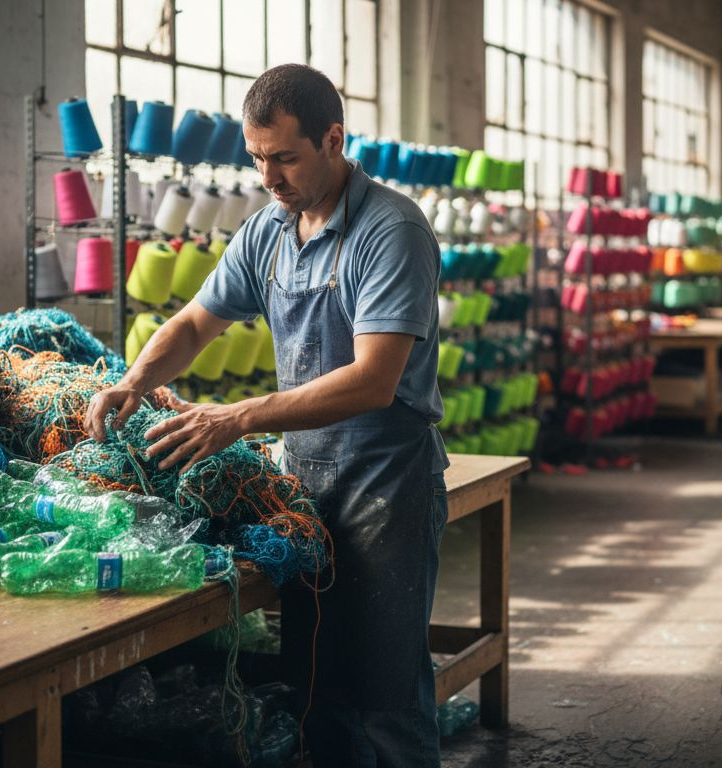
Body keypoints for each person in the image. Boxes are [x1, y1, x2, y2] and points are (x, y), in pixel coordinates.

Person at [85, 63, 448, 767]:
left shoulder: (389, 230)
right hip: (305, 480)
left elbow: (376, 380)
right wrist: (135, 379)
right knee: (317, 680)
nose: (268, 177)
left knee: (381, 692)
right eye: (257, 159)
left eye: (284, 157)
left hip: (384, 483)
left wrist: (238, 417)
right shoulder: (268, 232)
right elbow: (195, 323)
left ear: (334, 139)